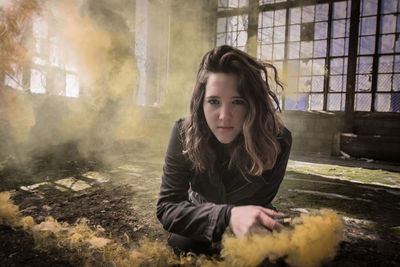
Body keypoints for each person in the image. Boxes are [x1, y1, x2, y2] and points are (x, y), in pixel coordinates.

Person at [156, 45, 292, 255]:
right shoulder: (183, 132)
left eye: (237, 101)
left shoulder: (279, 140)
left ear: (253, 105)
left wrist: (244, 223)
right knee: (181, 247)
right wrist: (225, 217)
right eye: (214, 101)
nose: (225, 116)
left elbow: (261, 201)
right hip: (201, 216)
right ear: (201, 103)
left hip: (252, 218)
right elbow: (168, 207)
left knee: (281, 253)